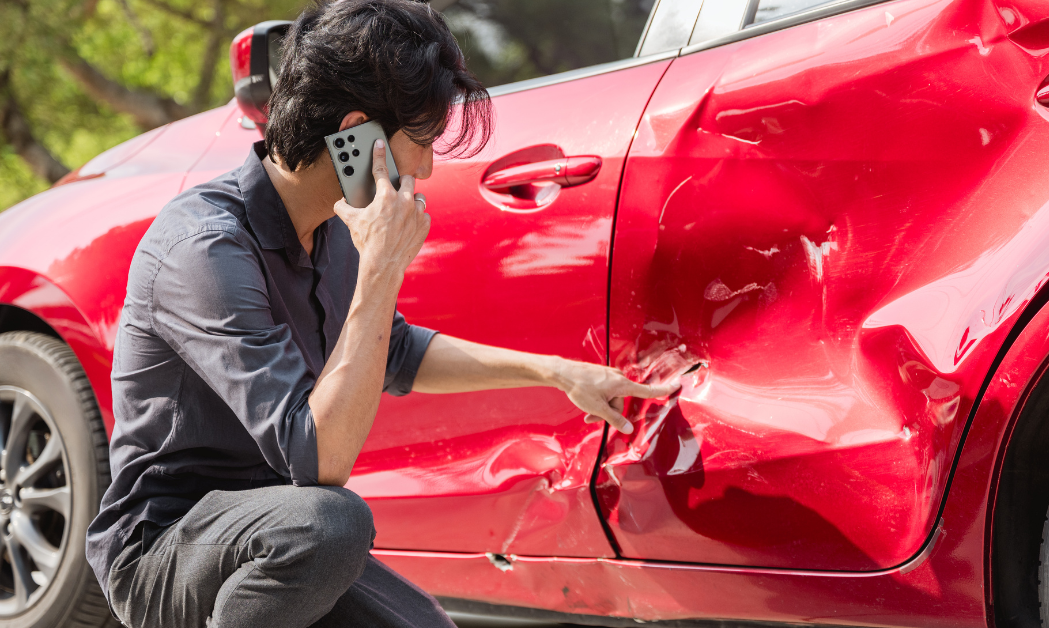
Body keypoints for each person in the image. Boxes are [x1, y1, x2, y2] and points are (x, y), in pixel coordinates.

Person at [84, 1, 677, 626]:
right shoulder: (204, 248)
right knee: (334, 522)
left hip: (273, 534)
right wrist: (382, 267)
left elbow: (392, 350)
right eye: (418, 143)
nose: (424, 168)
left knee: (425, 621)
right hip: (165, 547)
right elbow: (319, 458)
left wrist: (559, 374)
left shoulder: (333, 229)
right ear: (356, 134)